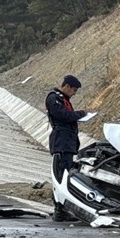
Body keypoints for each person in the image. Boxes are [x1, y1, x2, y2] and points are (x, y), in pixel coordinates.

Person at [46, 74, 87, 222]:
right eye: (74, 90)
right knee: (61, 176)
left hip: (67, 143)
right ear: (67, 86)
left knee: (65, 174)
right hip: (61, 143)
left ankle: (62, 208)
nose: (74, 93)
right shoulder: (54, 98)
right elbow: (64, 116)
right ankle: (59, 210)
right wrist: (80, 114)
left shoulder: (63, 99)